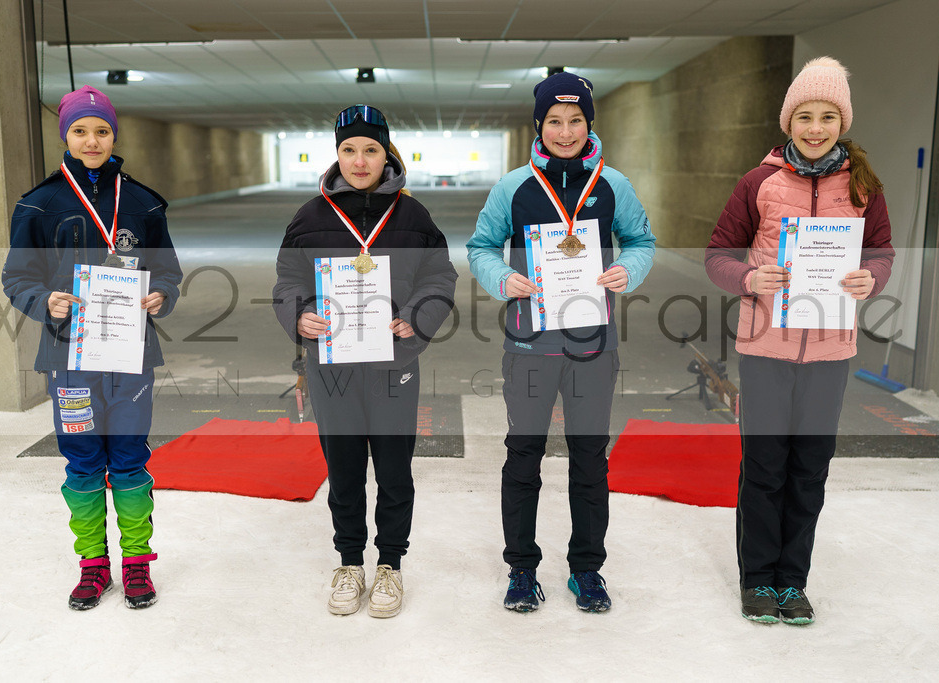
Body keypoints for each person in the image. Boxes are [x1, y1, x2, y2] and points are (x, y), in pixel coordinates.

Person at [705, 57, 894, 625]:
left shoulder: (863, 186)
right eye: (805, 116)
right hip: (765, 348)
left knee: (810, 468)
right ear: (789, 121)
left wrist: (871, 279)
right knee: (764, 466)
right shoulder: (758, 182)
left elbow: (881, 253)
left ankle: (793, 581)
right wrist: (747, 278)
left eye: (828, 117)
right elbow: (716, 255)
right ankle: (757, 580)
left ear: (843, 122)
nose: (816, 128)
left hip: (831, 352)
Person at [467, 72, 656, 613]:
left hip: (592, 343)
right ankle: (521, 570)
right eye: (555, 120)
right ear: (539, 125)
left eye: (576, 120)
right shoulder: (514, 187)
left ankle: (586, 569)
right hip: (529, 344)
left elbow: (641, 240)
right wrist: (501, 279)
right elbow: (481, 245)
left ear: (589, 124)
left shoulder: (612, 184)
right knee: (523, 454)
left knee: (589, 457)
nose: (566, 131)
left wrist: (628, 270)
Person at [2, 85, 182, 610]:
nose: (91, 140)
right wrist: (43, 300)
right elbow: (17, 277)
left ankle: (136, 564)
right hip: (68, 359)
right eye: (79, 130)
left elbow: (168, 271)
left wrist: (161, 295)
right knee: (82, 463)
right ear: (66, 135)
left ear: (113, 134)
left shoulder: (144, 203)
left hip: (130, 357)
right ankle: (92, 567)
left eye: (101, 130)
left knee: (128, 459)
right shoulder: (38, 204)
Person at [273, 104, 457, 618]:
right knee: (345, 469)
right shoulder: (309, 217)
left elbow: (440, 279)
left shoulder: (413, 215)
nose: (359, 160)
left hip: (393, 363)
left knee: (395, 470)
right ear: (337, 155)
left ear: (386, 154)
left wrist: (418, 317)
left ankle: (390, 566)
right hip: (331, 365)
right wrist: (300, 316)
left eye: (370, 150)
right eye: (349, 150)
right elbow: (287, 282)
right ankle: (350, 562)